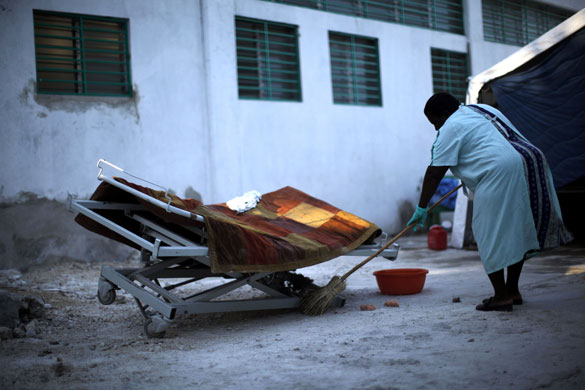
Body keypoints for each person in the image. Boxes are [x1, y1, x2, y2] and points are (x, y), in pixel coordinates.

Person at [408, 92, 573, 311]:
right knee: (516, 230)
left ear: (445, 114)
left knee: (487, 232)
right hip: (529, 162)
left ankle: (501, 296)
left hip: (498, 173)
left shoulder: (451, 126)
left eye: (436, 122)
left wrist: (422, 207)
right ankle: (512, 290)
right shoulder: (482, 110)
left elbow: (435, 173)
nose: (437, 128)